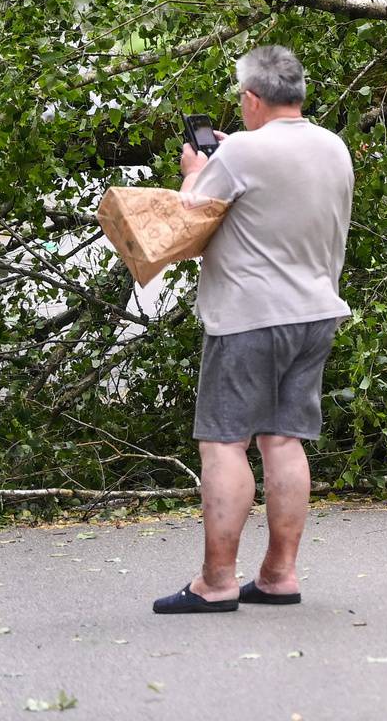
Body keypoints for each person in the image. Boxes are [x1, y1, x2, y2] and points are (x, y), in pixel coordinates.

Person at [153, 45, 353, 614]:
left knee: (223, 444)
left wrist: (195, 171)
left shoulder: (241, 152)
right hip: (315, 312)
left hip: (248, 318)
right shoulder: (334, 147)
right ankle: (278, 575)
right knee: (283, 439)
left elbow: (187, 219)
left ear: (251, 99)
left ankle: (216, 581)